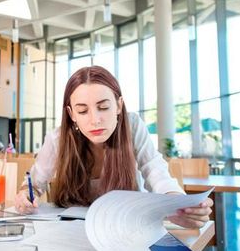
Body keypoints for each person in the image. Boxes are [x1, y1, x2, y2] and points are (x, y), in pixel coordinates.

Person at [14, 66, 213, 229]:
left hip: (126, 229)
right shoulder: (58, 139)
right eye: (83, 111)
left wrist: (177, 205)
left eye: (103, 107)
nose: (95, 120)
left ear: (118, 105)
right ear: (71, 113)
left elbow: (155, 171)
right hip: (72, 232)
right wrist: (25, 196)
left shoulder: (132, 125)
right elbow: (35, 184)